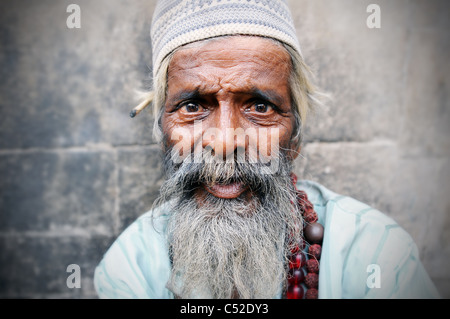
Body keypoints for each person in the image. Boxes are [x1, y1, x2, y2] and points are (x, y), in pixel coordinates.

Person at [94, 0, 440, 299]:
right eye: (193, 106)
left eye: (260, 107)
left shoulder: (377, 255)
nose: (226, 141)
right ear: (161, 131)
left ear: (296, 136)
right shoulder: (133, 266)